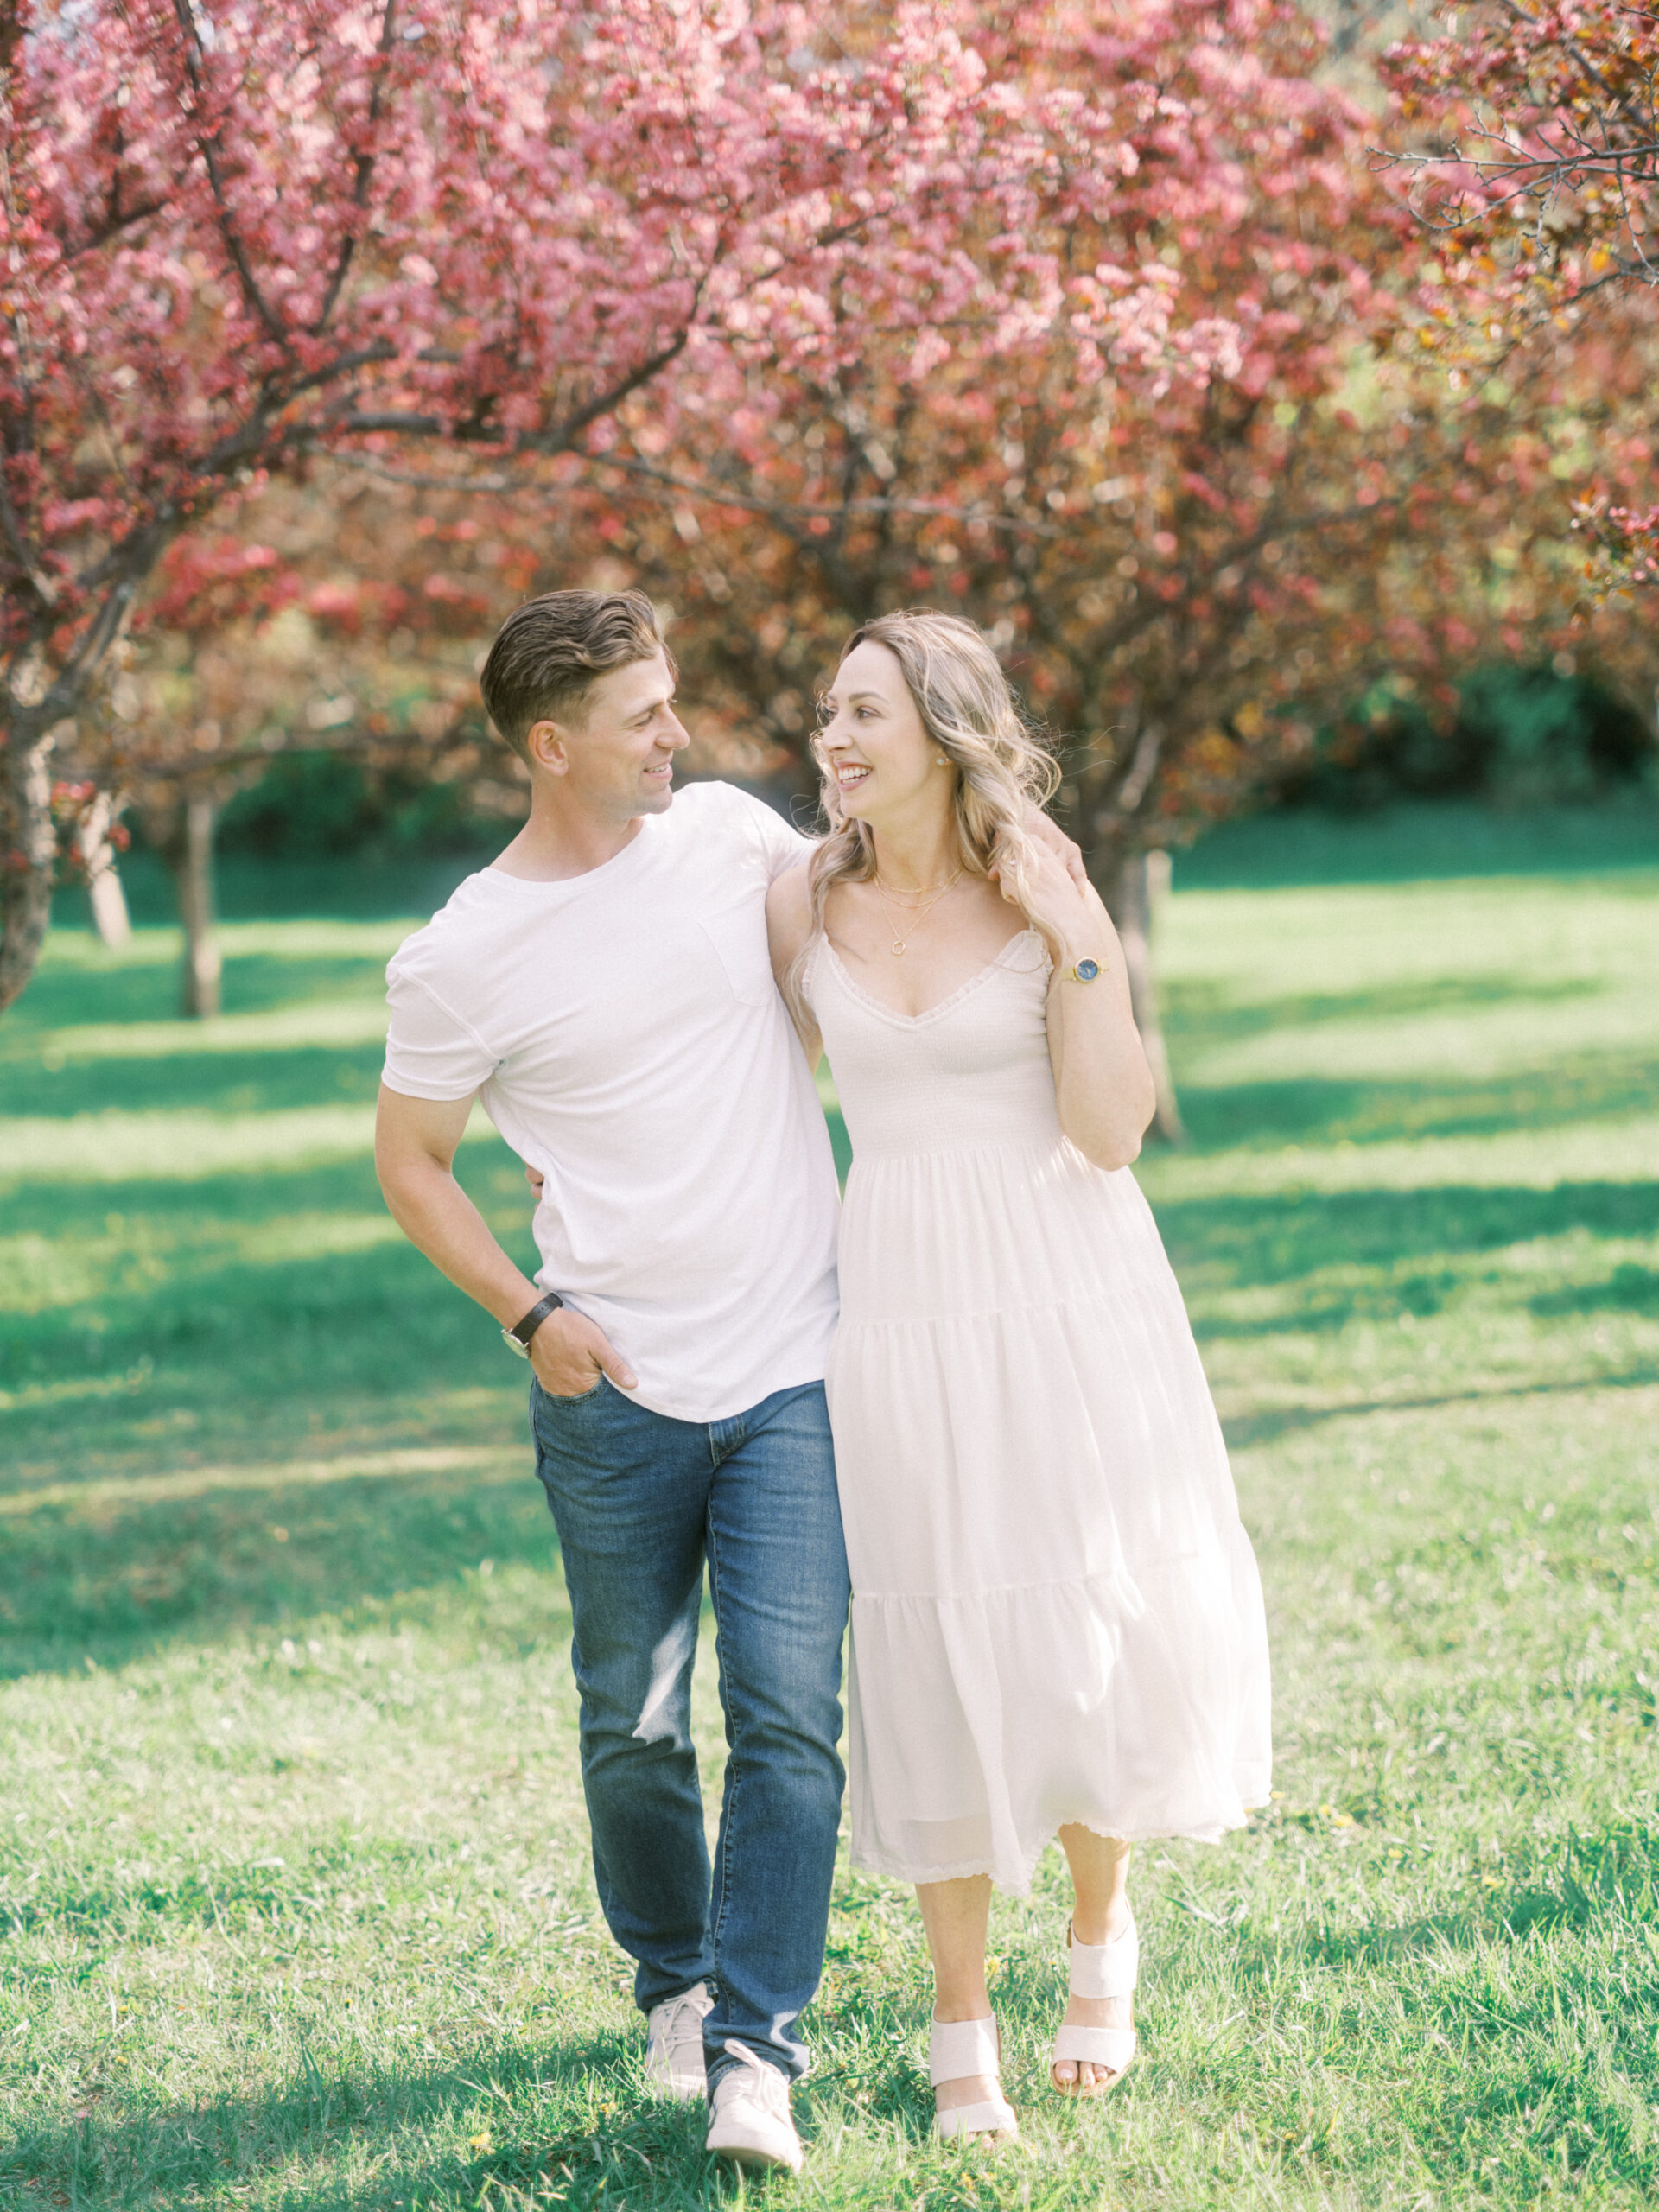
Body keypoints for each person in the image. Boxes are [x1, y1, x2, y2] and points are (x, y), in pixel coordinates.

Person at [766, 609, 1273, 2141]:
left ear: (944, 725)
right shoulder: (798, 895)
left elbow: (1112, 1128)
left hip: (1067, 1282)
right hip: (899, 1296)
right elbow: (746, 1088)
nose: (836, 741)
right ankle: (957, 2007)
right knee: (923, 1627)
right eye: (829, 717)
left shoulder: (1038, 874)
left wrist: (1083, 938)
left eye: (865, 714)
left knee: (1078, 1602)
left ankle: (1100, 1940)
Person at [372, 588, 847, 2176]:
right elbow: (412, 1163)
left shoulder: (725, 836)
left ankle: (756, 2053)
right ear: (550, 742)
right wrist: (528, 1317)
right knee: (633, 1720)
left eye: (673, 704)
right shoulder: (461, 956)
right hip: (614, 1388)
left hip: (794, 1361)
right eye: (646, 714)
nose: (680, 734)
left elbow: (872, 897)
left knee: (789, 1717)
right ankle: (676, 1981)